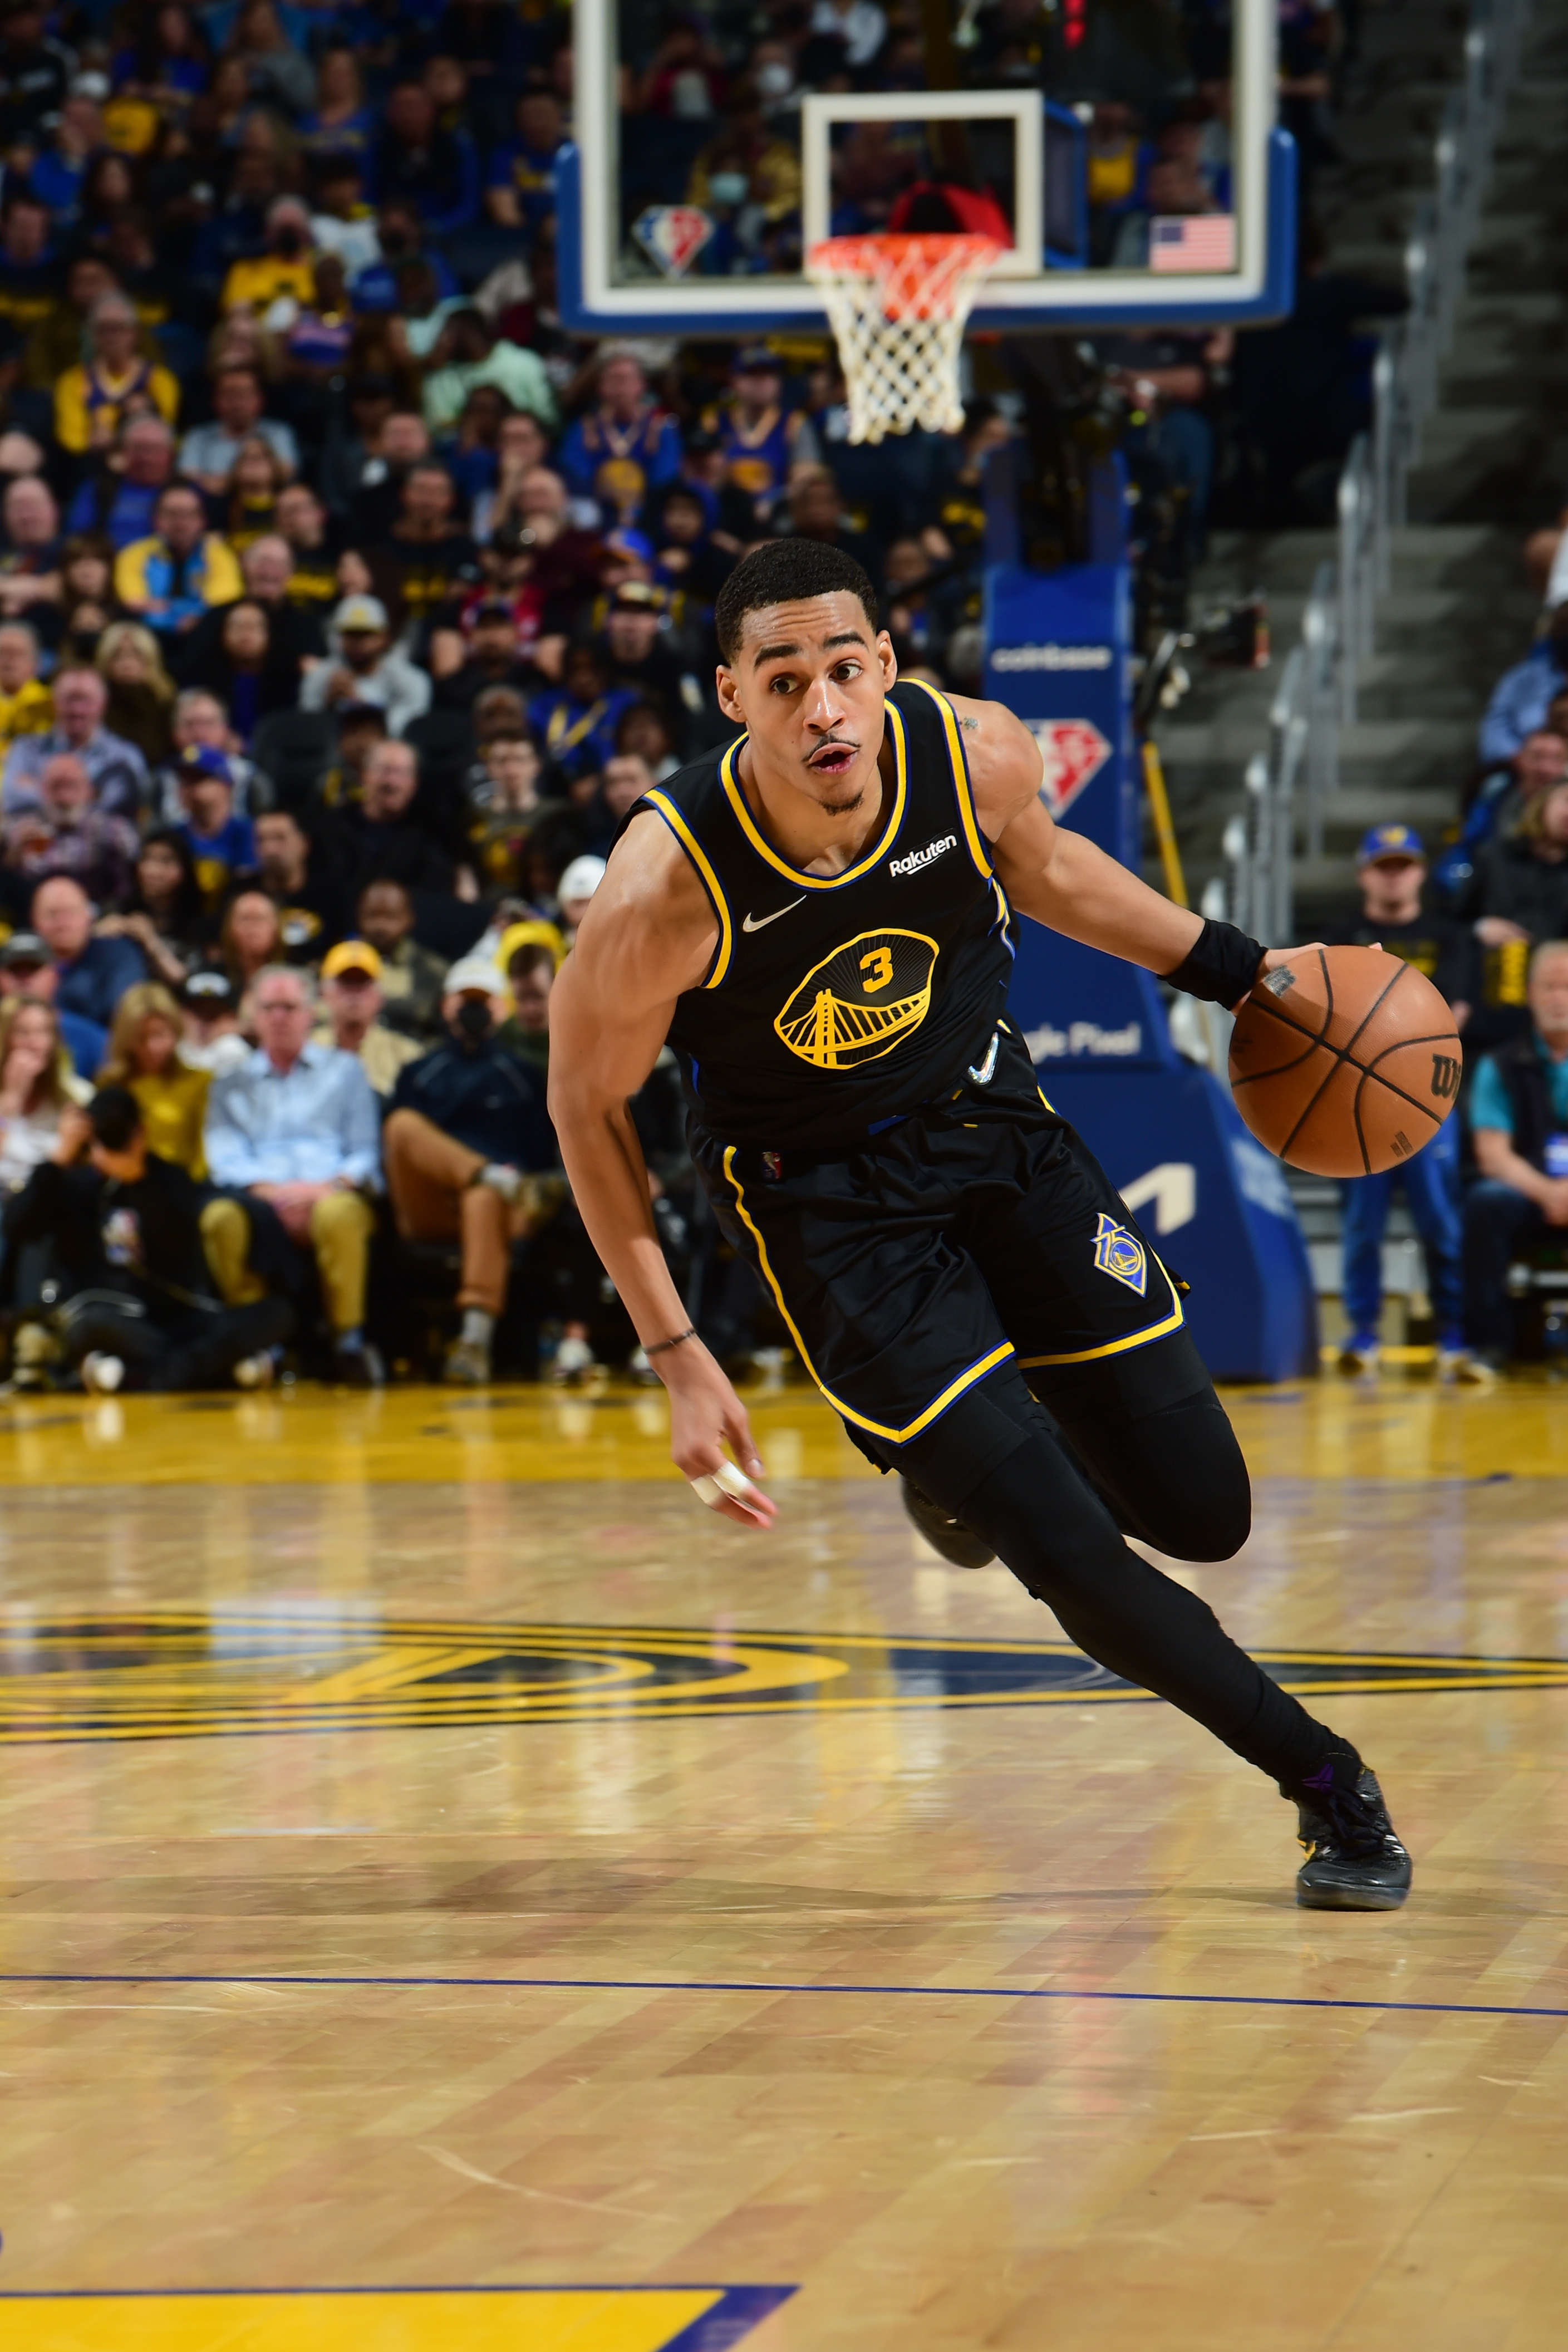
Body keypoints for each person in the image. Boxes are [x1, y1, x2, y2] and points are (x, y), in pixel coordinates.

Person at [548, 537, 1412, 1911]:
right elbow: (582, 1108)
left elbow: (1055, 874)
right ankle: (1327, 1785)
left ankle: (960, 1462)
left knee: (1205, 1512)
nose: (821, 707)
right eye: (783, 681)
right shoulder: (663, 889)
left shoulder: (975, 755)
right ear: (731, 697)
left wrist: (1241, 974)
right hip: (833, 1216)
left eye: (843, 670)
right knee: (1065, 1545)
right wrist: (674, 1349)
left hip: (1001, 1138)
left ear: (886, 667)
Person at [5, 1084, 292, 1393]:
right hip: (117, 1322)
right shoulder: (72, 1185)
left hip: (176, 1321)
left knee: (277, 1313)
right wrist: (59, 1157)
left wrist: (136, 1180)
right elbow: (15, 1226)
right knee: (89, 1326)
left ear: (139, 1133)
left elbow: (179, 1248)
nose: (114, 1143)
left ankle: (136, 1377)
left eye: (121, 1134)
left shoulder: (170, 1179)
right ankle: (215, 1371)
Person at [1325, 825, 1476, 1379]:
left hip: (1430, 1104)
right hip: (1356, 1107)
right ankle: (1363, 1335)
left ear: (1419, 871)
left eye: (1404, 864)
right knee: (1362, 1226)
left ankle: (1454, 1336)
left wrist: (1382, 1045)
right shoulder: (1344, 939)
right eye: (1383, 865)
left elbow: (1453, 1018)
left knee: (1441, 1222)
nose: (1394, 874)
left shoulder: (1449, 936)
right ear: (1365, 873)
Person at [204, 963, 384, 1384]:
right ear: (253, 1014)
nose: (279, 1017)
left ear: (310, 1013)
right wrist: (274, 1195)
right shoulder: (229, 1082)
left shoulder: (346, 1071)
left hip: (331, 1191)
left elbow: (363, 1154)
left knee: (337, 1215)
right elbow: (225, 1159)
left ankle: (348, 1341)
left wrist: (322, 1190)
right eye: (269, 1007)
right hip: (260, 1198)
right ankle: (259, 1341)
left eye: (289, 1006)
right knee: (220, 1219)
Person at [384, 951, 554, 1381]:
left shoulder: (527, 1076)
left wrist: (510, 1188)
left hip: (507, 1208)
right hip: (434, 1207)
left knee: (485, 1195)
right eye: (465, 1000)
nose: (474, 1010)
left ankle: (474, 1342)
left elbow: (542, 1162)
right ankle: (487, 1174)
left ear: (502, 1008)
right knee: (402, 1124)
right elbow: (401, 1150)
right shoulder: (419, 1073)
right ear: (445, 1006)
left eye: (484, 1000)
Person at [96, 980, 212, 1176]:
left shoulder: (201, 1082)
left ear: (176, 1032)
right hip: (123, 1186)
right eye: (141, 1037)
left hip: (182, 1189)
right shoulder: (110, 1086)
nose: (151, 1047)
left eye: (159, 1035)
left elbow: (205, 1156)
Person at [2, 664, 149, 817]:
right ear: (54, 702)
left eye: (86, 701)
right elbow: (11, 798)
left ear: (103, 703)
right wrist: (92, 793)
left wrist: (41, 788)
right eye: (70, 700)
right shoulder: (26, 749)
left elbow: (126, 804)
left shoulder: (125, 755)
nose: (77, 710)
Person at [0, 750, 140, 908]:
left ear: (89, 791)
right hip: (32, 920)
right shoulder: (21, 830)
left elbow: (131, 887)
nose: (64, 797)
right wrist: (10, 859)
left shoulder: (116, 831)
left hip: (101, 919)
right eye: (56, 786)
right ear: (42, 790)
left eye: (72, 785)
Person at [52, 292, 180, 459]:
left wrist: (108, 435)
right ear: (92, 334)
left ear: (135, 333)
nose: (112, 337)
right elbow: (72, 440)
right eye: (104, 329)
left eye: (119, 328)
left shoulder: (160, 380)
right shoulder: (72, 380)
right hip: (90, 463)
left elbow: (162, 435)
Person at [114, 485, 244, 640]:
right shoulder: (133, 555)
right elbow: (133, 604)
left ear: (202, 521)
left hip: (203, 638)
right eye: (172, 514)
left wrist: (163, 607)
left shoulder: (220, 554)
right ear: (157, 520)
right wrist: (186, 615)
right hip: (148, 636)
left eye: (189, 515)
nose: (181, 523)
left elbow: (221, 606)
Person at [300, 592, 431, 737]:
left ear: (384, 637)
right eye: (350, 633)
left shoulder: (411, 679)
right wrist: (327, 705)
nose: (357, 641)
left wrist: (359, 705)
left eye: (366, 633)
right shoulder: (320, 675)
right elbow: (306, 728)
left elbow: (406, 729)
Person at [95, 825, 210, 990]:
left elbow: (189, 983)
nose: (153, 871)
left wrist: (151, 942)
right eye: (147, 860)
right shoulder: (117, 909)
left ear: (184, 869)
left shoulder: (197, 923)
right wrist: (95, 937)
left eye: (165, 861)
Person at [0, 991, 90, 1194]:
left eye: (44, 1032)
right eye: (23, 1033)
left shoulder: (76, 1096)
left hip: (51, 1204)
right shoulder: (5, 1102)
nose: (35, 1043)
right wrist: (10, 1103)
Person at [312, 937, 424, 1098]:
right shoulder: (304, 1049)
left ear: (380, 996)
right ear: (324, 993)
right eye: (345, 983)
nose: (354, 994)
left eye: (362, 984)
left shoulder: (406, 1055)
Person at [33, 873, 146, 1029]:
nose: (62, 924)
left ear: (89, 916)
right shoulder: (18, 962)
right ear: (33, 919)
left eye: (71, 913)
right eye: (52, 914)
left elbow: (126, 1016)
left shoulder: (118, 954)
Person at [177, 365, 299, 497]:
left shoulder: (278, 432)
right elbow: (188, 476)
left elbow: (287, 471)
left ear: (260, 399)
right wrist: (249, 479)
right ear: (215, 400)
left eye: (244, 394)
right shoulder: (198, 436)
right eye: (230, 394)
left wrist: (222, 482)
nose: (237, 402)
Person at [0, 931, 105, 1079]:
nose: (24, 979)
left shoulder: (90, 1038)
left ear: (54, 975)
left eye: (33, 968)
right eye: (15, 970)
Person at [356, 877, 447, 1038]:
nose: (380, 926)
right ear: (359, 916)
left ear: (409, 918)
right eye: (372, 916)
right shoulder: (339, 964)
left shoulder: (434, 970)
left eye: (390, 917)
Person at [0, 618, 51, 746]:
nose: (8, 660)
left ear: (36, 663)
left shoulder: (49, 704)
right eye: (2, 653)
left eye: (18, 654)